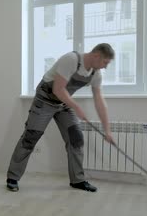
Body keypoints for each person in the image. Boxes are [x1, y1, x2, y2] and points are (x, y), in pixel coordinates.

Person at [6, 43, 116, 192]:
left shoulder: (95, 74)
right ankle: (13, 177)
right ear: (97, 56)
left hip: (63, 103)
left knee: (76, 138)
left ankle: (78, 180)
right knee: (30, 137)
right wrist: (77, 108)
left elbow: (99, 101)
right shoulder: (70, 59)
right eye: (105, 62)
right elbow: (58, 89)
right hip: (45, 100)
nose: (105, 67)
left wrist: (107, 130)